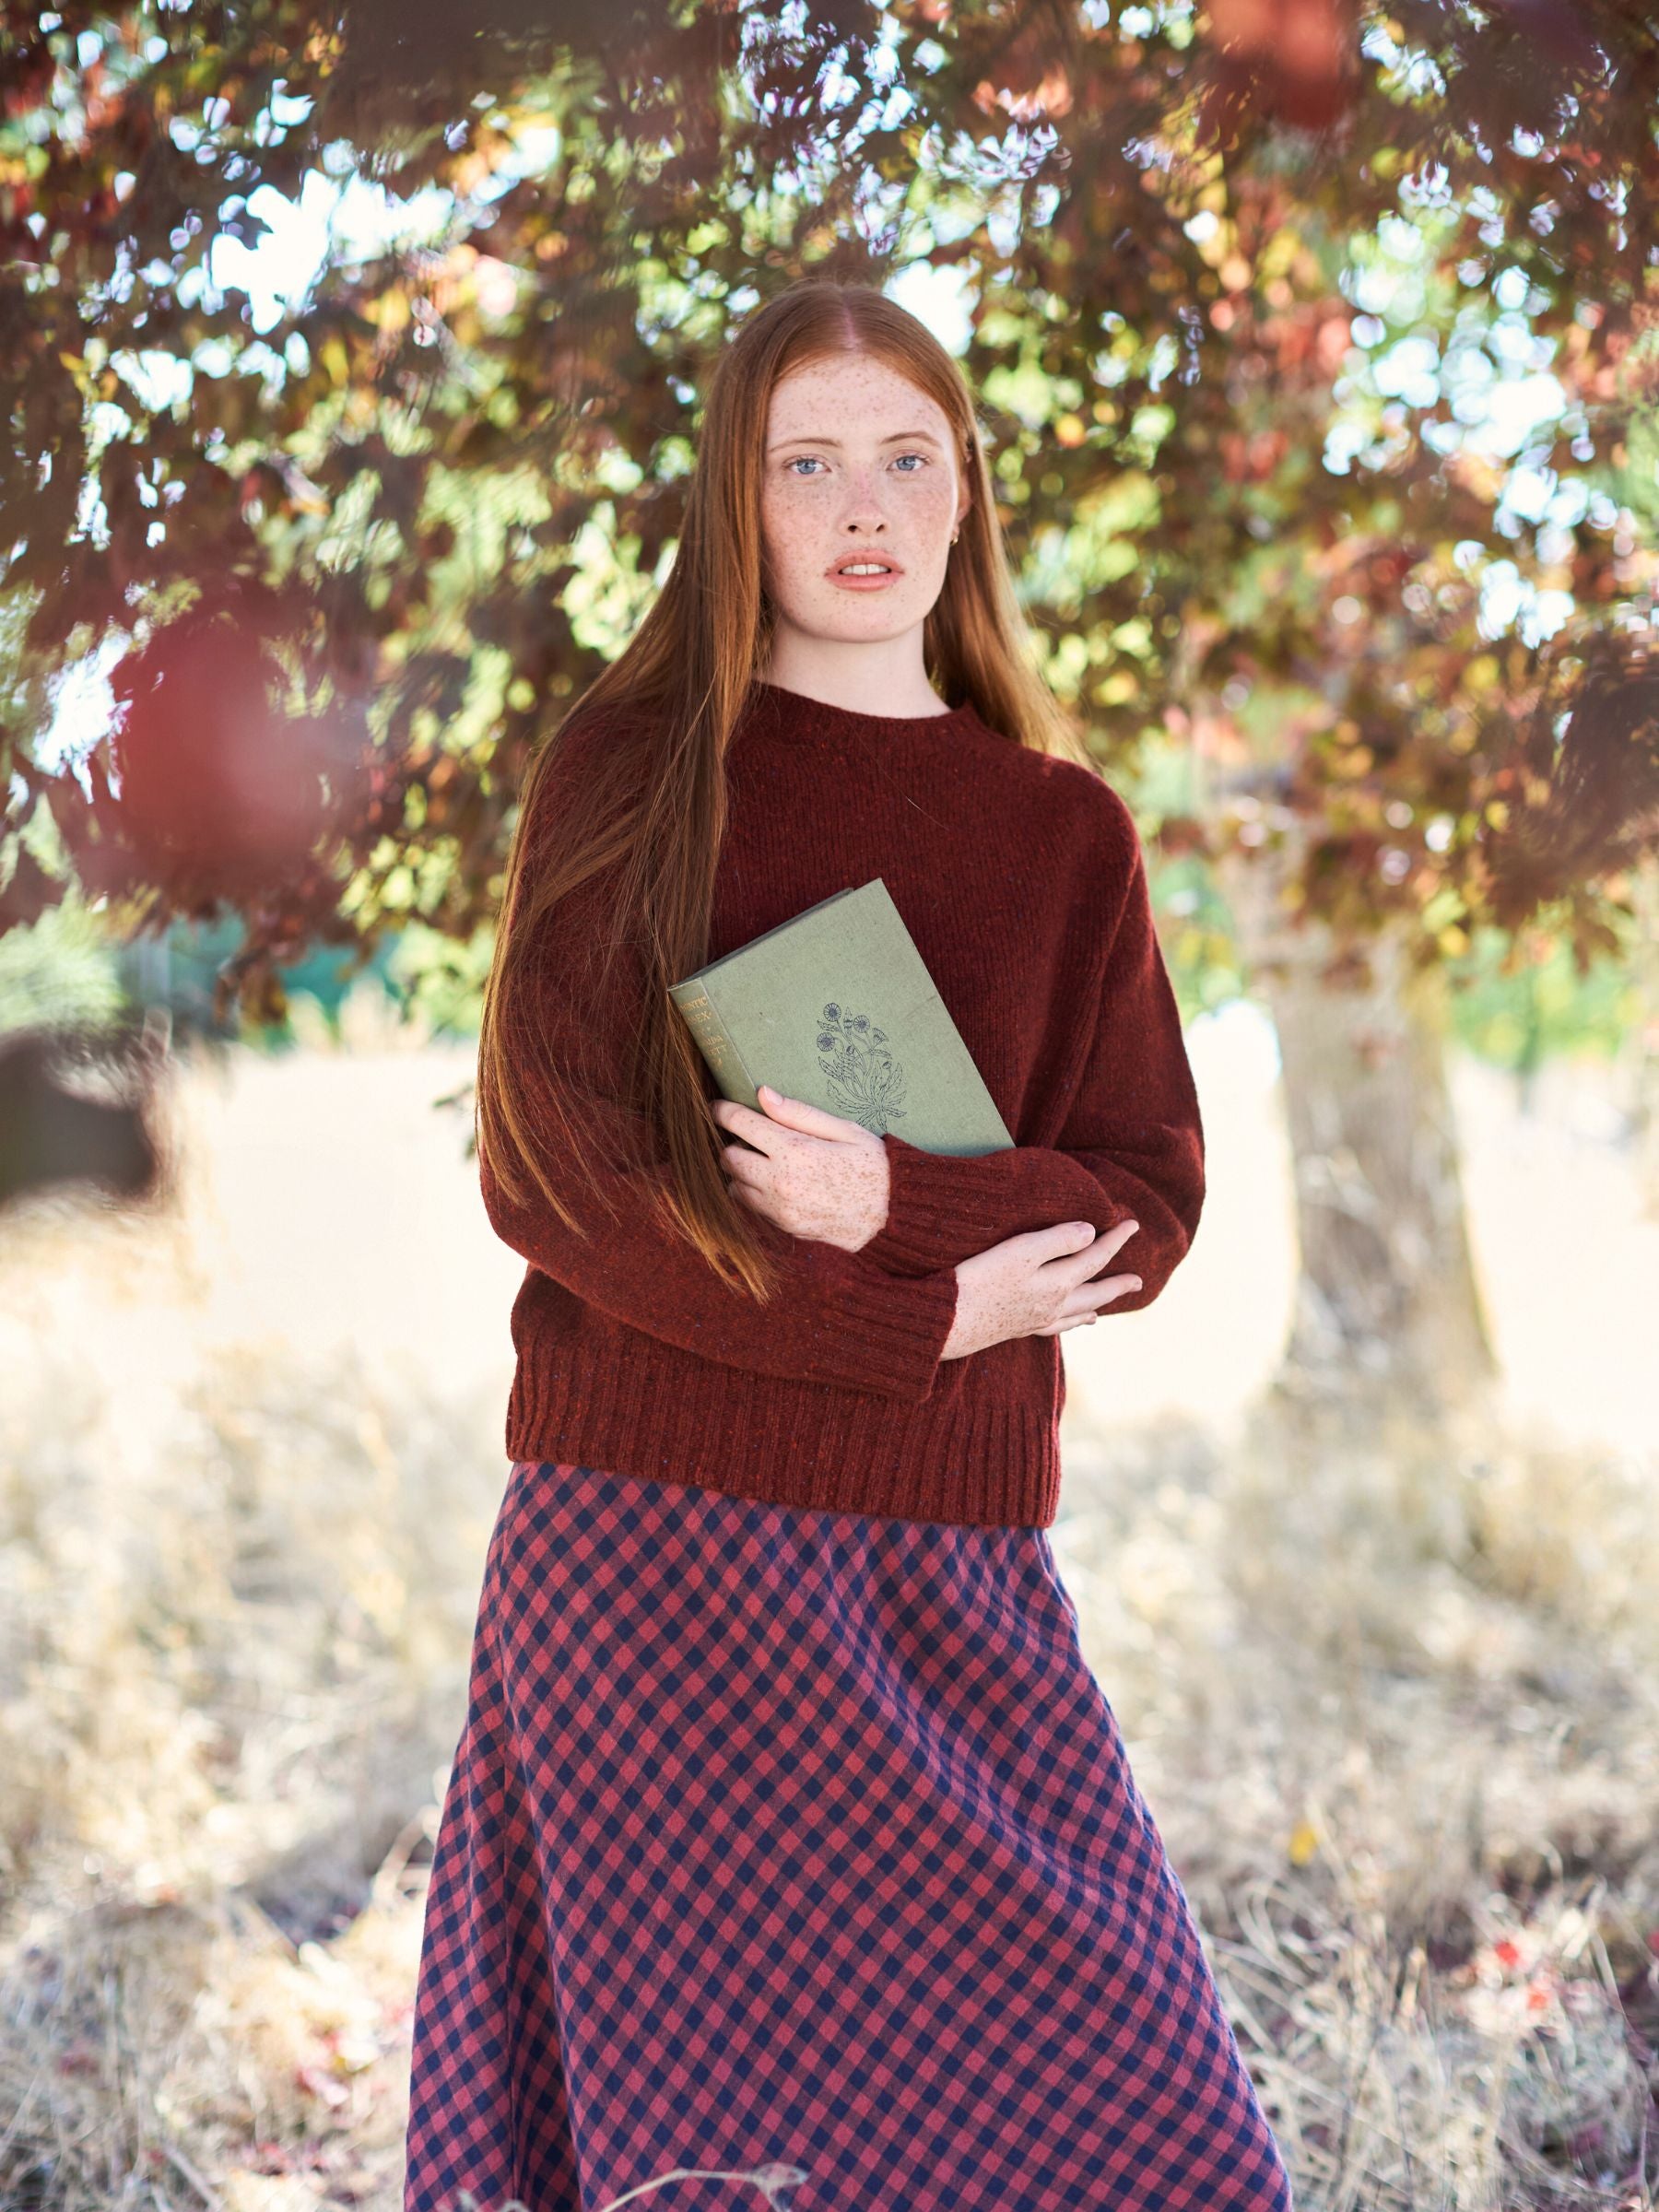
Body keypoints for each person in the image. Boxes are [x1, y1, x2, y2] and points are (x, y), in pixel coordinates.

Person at [402, 277, 1295, 2212]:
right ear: (740, 502)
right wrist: (908, 1323)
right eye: (806, 461)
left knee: (1158, 2137)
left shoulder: (1066, 833)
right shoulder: (632, 772)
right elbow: (550, 1181)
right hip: (641, 1556)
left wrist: (913, 1208)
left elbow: (1145, 1205)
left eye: (905, 456)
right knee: (689, 2162)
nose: (861, 501)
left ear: (967, 495)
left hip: (947, 1569)